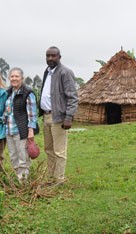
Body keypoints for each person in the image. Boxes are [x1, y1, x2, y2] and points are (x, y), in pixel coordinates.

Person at [39, 46, 78, 184]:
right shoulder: (47, 72)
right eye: (48, 55)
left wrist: (68, 117)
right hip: (46, 116)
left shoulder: (65, 73)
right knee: (48, 149)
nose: (50, 58)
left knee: (59, 150)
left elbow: (72, 97)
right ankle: (50, 177)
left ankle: (59, 179)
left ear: (59, 57)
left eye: (53, 56)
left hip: (58, 117)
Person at [4, 67, 38, 183]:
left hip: (21, 131)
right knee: (14, 158)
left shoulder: (27, 93)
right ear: (9, 78)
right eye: (12, 76)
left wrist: (30, 131)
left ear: (22, 78)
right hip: (9, 131)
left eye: (16, 76)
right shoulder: (8, 92)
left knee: (23, 158)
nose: (14, 78)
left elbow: (32, 114)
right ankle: (19, 181)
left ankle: (24, 183)